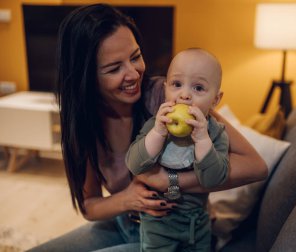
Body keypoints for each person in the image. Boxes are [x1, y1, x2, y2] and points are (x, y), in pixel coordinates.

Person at [28, 3, 267, 252]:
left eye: (135, 57)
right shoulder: (81, 121)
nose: (133, 73)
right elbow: (89, 204)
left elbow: (255, 166)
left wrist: (171, 181)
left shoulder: (169, 96)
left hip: (177, 233)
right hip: (124, 222)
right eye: (114, 68)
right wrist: (127, 199)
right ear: (86, 76)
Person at [126, 48, 228, 251]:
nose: (184, 95)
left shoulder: (215, 134)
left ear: (216, 100)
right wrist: (157, 134)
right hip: (158, 224)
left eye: (198, 88)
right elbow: (134, 164)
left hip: (197, 224)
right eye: (176, 84)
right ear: (165, 90)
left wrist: (202, 140)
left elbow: (214, 179)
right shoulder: (157, 125)